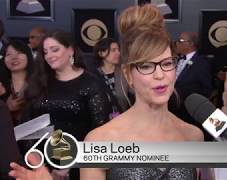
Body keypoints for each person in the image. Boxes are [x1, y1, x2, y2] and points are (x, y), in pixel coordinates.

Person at [81, 4, 203, 179]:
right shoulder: (99, 141)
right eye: (146, 66)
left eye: (167, 64)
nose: (160, 75)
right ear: (128, 74)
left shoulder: (193, 136)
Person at [20, 30, 112, 179]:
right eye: (45, 52)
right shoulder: (39, 82)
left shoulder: (91, 84)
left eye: (55, 49)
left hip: (79, 166)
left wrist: (69, 166)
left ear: (70, 50)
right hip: (39, 166)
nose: (49, 55)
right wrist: (39, 165)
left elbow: (100, 132)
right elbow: (27, 127)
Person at [92, 38, 129, 114]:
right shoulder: (93, 75)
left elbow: (134, 93)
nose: (118, 53)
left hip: (124, 116)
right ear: (101, 53)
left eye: (118, 50)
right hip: (104, 119)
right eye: (113, 50)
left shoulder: (123, 71)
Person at [1, 40, 34, 125]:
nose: (14, 57)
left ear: (28, 56)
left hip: (38, 135)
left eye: (19, 53)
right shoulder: (1, 84)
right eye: (8, 54)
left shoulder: (39, 82)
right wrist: (6, 108)